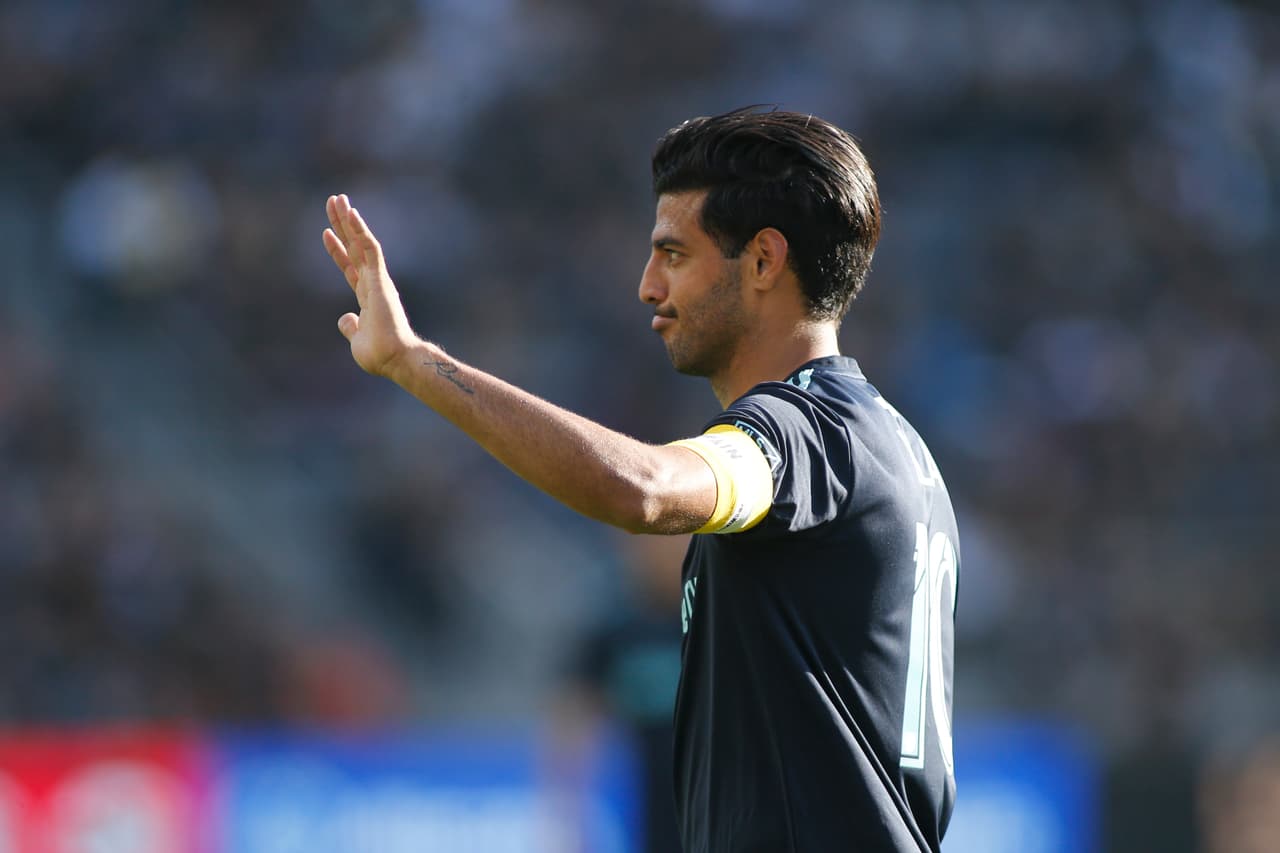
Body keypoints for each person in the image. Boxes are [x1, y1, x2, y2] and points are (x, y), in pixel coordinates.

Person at [323, 107, 960, 853]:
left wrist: (411, 361)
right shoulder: (895, 444)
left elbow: (648, 489)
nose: (647, 286)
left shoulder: (799, 433)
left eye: (674, 254)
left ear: (762, 261)